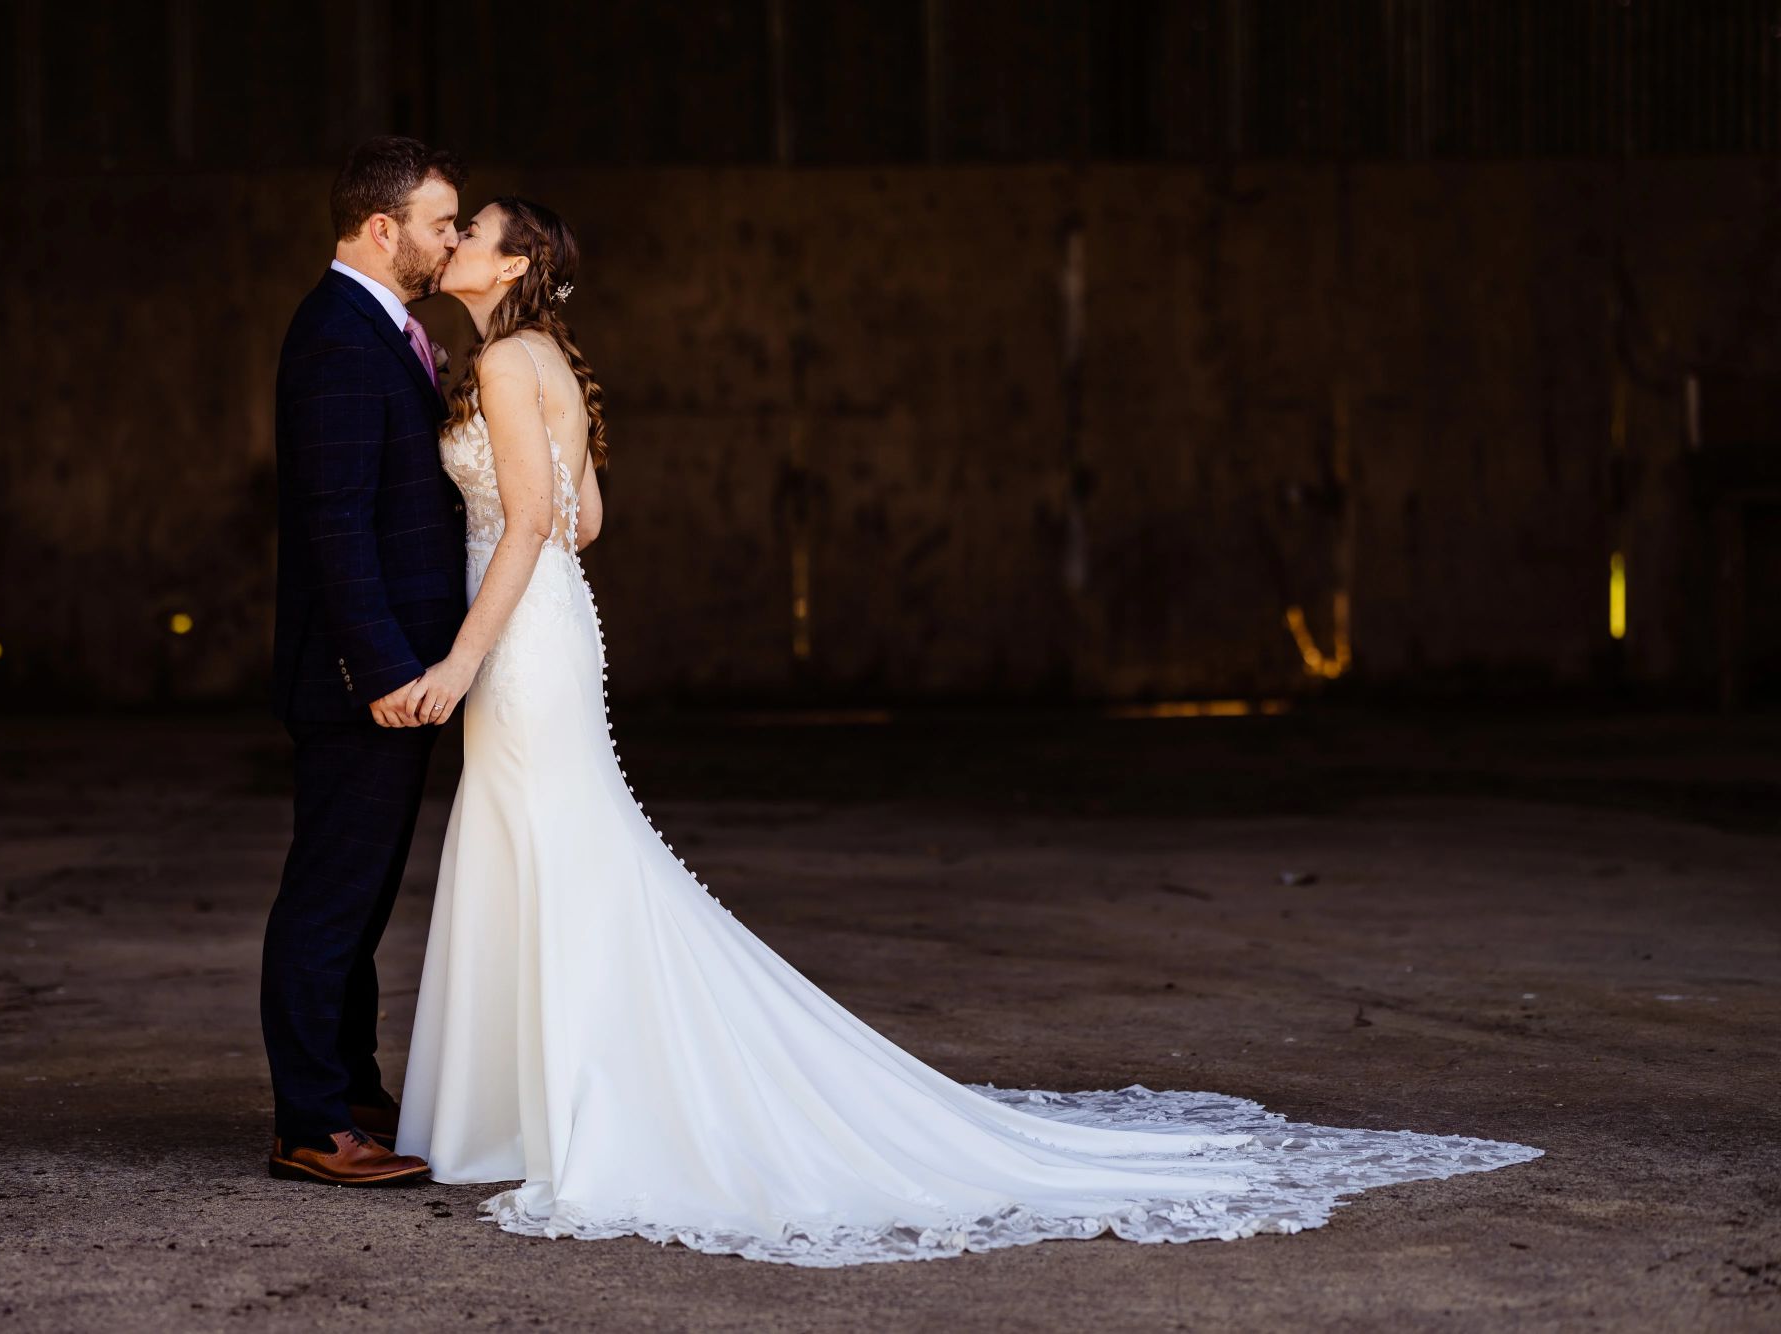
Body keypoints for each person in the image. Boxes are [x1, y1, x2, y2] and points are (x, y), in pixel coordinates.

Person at [394, 196, 1542, 1265]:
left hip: (514, 639)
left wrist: (458, 652)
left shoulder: (500, 358)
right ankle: (547, 1099)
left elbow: (541, 518)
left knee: (553, 842)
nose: (453, 243)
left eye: (473, 230)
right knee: (560, 844)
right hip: (552, 624)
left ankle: (555, 1111)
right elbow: (588, 520)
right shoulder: (545, 361)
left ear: (515, 265)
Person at [263, 137, 467, 1186]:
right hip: (363, 680)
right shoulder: (339, 335)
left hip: (394, 671)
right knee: (331, 895)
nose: (449, 240)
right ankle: (309, 1119)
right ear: (380, 226)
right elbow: (335, 522)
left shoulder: (386, 329)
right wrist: (386, 671)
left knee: (364, 893)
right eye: (440, 222)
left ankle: (351, 1088)